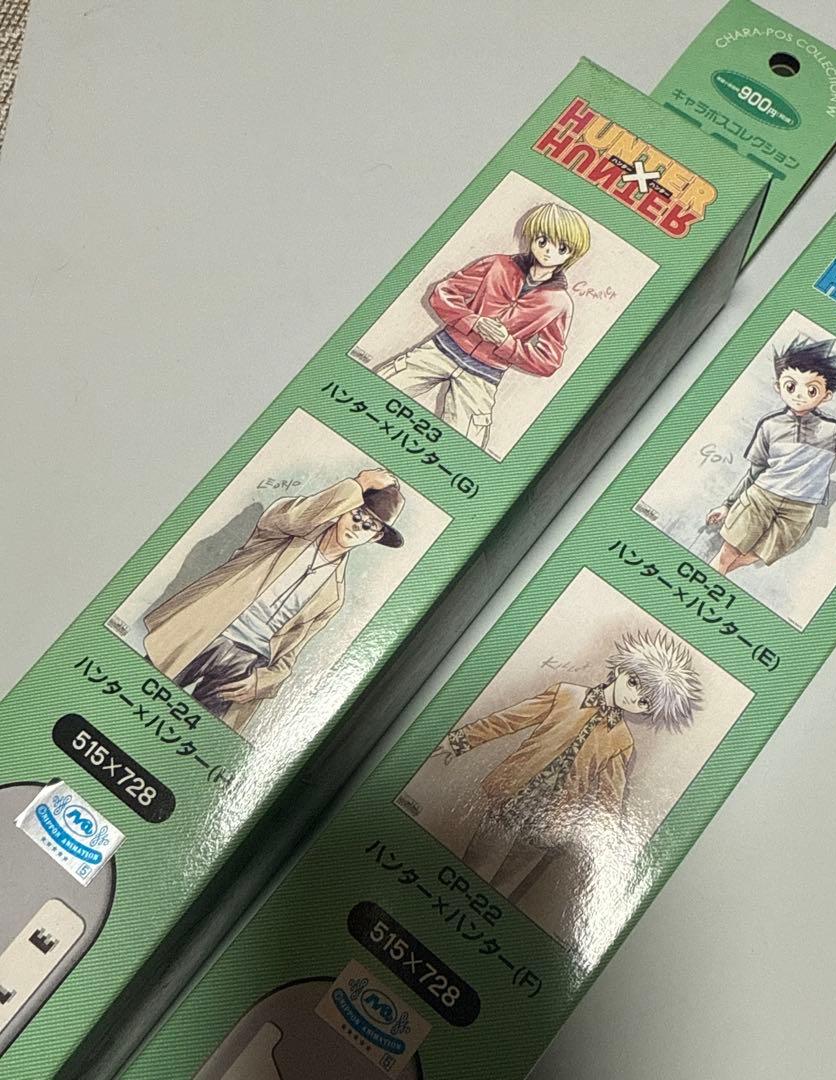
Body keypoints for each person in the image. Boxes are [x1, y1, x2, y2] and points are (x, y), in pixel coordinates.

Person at [436, 630, 702, 903]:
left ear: (646, 711)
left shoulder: (622, 741)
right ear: (620, 670)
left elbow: (610, 797)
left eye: (644, 702)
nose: (633, 697)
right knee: (471, 861)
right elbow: (511, 719)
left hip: (552, 819)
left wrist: (605, 844)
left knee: (503, 887)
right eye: (634, 682)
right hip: (512, 795)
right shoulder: (566, 694)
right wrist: (459, 740)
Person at [142, 468, 404, 732]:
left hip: (247, 664)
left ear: (375, 536)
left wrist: (263, 682)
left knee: (197, 733)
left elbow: (291, 650)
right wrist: (358, 484)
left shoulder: (334, 595)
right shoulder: (285, 534)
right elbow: (290, 516)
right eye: (357, 515)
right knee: (137, 690)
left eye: (369, 526)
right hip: (203, 633)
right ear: (343, 510)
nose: (358, 526)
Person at [373, 202, 591, 449]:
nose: (549, 251)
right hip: (440, 350)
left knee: (461, 447)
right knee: (376, 392)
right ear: (532, 237)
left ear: (571, 254)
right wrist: (473, 321)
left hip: (483, 376)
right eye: (543, 241)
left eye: (561, 248)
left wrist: (506, 343)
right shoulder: (497, 265)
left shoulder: (559, 303)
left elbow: (548, 361)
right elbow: (444, 293)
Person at [706, 336, 836, 575]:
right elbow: (755, 471)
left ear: (825, 395)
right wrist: (727, 504)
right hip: (761, 497)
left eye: (811, 390)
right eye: (791, 386)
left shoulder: (833, 432)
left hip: (799, 510)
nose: (799, 395)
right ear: (778, 387)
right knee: (726, 555)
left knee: (752, 557)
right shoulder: (770, 426)